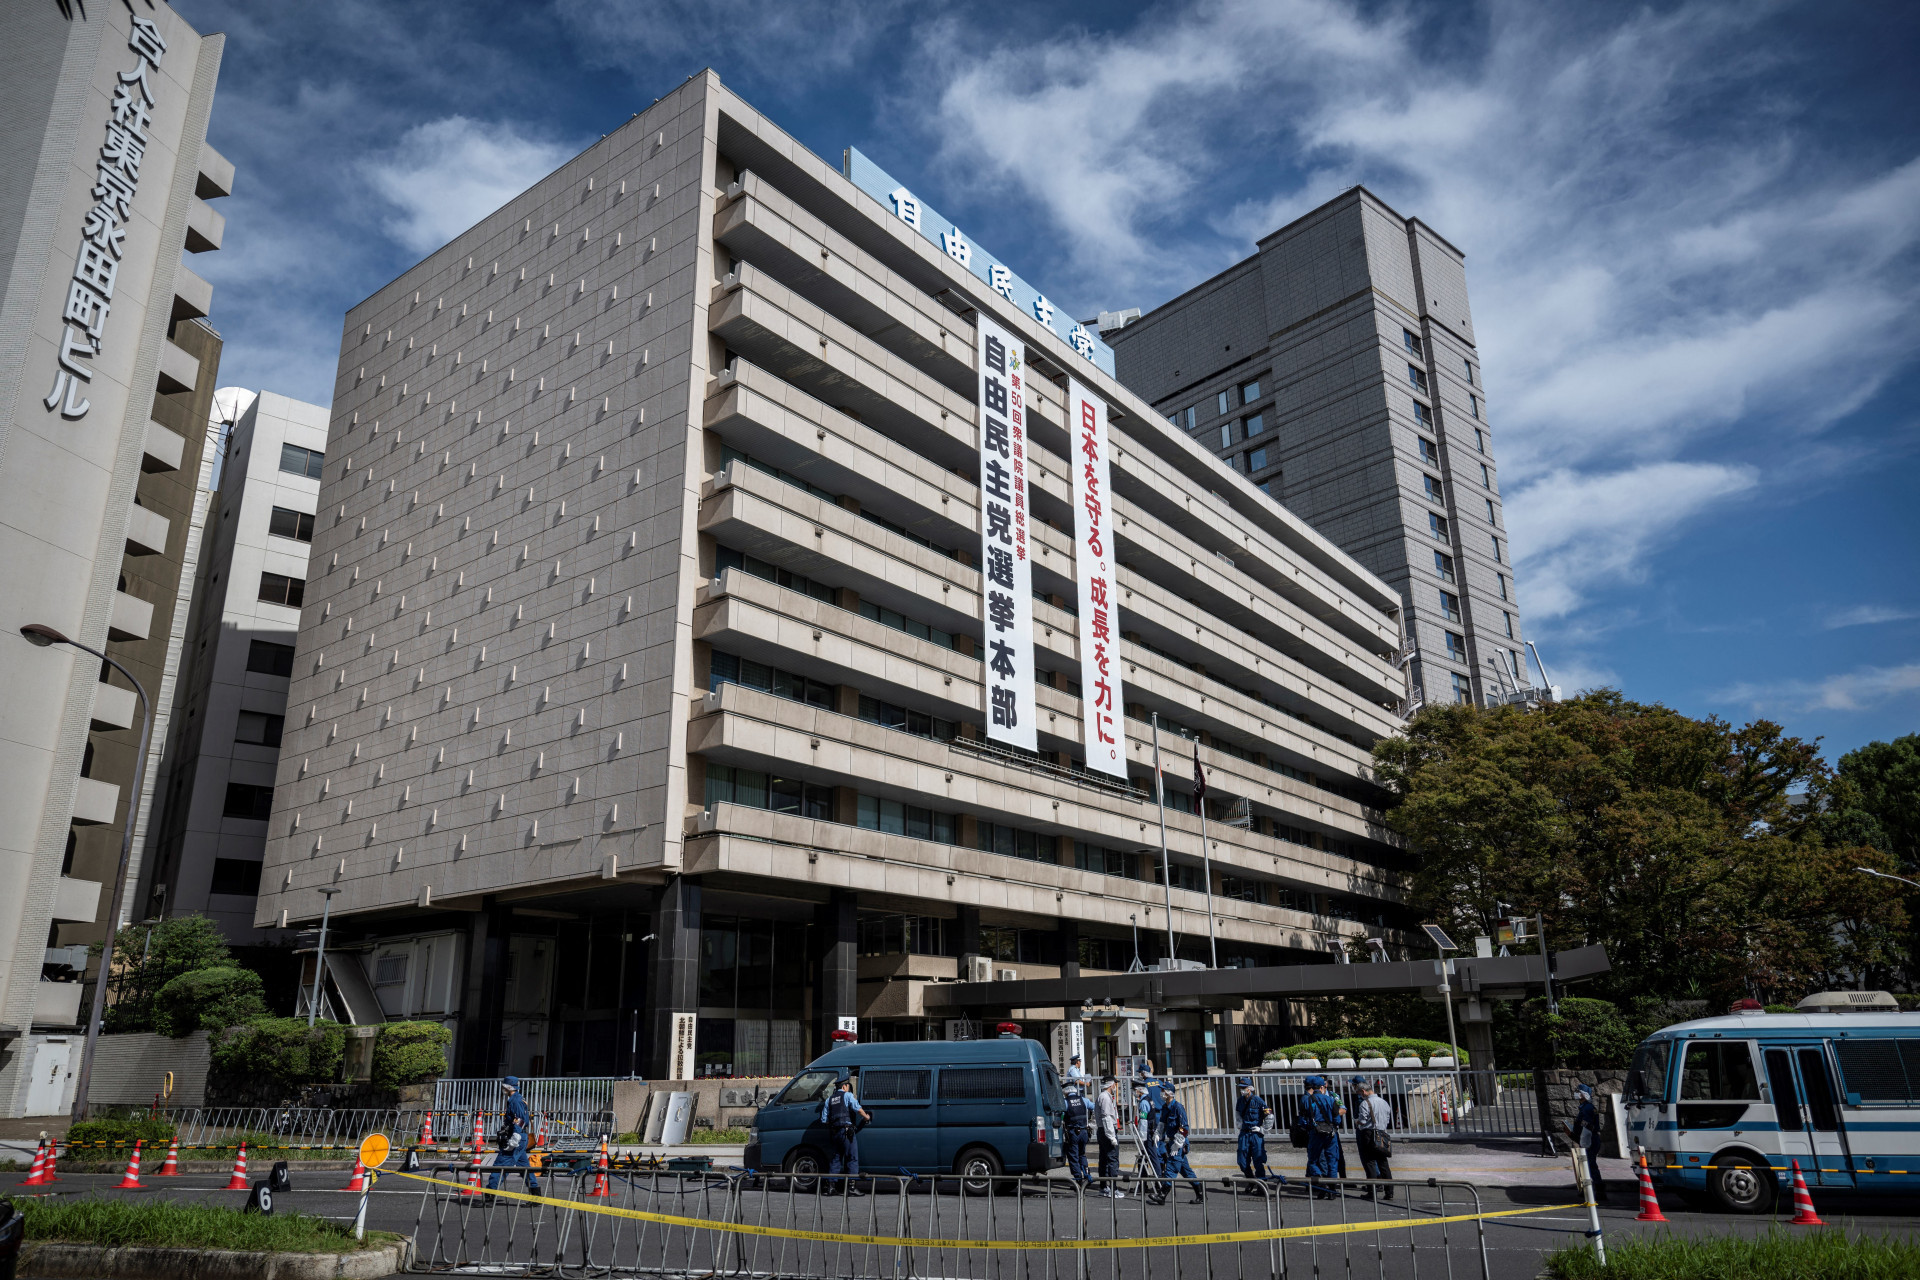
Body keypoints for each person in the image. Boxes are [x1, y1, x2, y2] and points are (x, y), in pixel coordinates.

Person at [486, 1075, 542, 1196]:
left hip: (516, 1138)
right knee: (525, 1167)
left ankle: (490, 1193)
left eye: (504, 1086)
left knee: (501, 1165)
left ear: (508, 1087)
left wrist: (514, 1137)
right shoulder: (517, 1098)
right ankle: (535, 1194)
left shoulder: (515, 1100)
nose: (503, 1088)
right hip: (520, 1138)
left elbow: (520, 1120)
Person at [1150, 1085, 1206, 1205]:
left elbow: (1184, 1128)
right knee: (1186, 1171)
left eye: (1163, 1090)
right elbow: (1162, 1123)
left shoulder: (1178, 1107)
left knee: (1170, 1167)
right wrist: (1157, 1133)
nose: (1161, 1093)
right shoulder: (1165, 1107)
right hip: (1171, 1142)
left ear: (1169, 1093)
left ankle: (1162, 1195)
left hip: (1179, 1143)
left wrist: (1177, 1144)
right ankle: (1200, 1195)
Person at [819, 1074, 871, 1196]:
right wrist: (866, 1117)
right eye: (848, 1086)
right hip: (847, 1132)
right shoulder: (847, 1095)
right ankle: (851, 1188)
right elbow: (857, 1108)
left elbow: (824, 1120)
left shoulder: (829, 1099)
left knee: (836, 1159)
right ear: (845, 1086)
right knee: (852, 1158)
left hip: (835, 1133)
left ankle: (831, 1187)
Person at [1299, 1075, 1345, 1199]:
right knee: (1332, 1161)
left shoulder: (1307, 1100)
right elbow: (1337, 1118)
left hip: (1315, 1133)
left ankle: (1321, 1180)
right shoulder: (1330, 1100)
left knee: (1313, 1160)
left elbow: (1303, 1119)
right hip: (1330, 1134)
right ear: (1322, 1087)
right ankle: (1332, 1189)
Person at [1351, 1076, 1394, 1199]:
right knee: (1383, 1164)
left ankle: (1372, 1191)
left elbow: (1363, 1121)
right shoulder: (1384, 1102)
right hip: (1381, 1134)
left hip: (1368, 1135)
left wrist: (1356, 1122)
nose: (1360, 1095)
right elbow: (1387, 1120)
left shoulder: (1365, 1103)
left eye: (1360, 1092)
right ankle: (1389, 1191)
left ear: (1363, 1091)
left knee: (1369, 1163)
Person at [1566, 1083, 1608, 1204]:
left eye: (1578, 1092)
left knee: (1590, 1164)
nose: (1576, 1093)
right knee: (1586, 1165)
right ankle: (1587, 1189)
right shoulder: (1584, 1107)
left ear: (1584, 1095)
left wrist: (1584, 1141)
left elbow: (1588, 1127)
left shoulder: (1588, 1108)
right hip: (1587, 1138)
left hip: (1590, 1139)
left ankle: (1600, 1190)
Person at [1234, 1076, 1275, 1185]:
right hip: (1244, 1133)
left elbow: (1269, 1116)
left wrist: (1263, 1129)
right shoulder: (1240, 1101)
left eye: (1244, 1088)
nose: (1242, 1090)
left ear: (1250, 1088)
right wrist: (1239, 1124)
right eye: (1241, 1088)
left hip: (1256, 1134)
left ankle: (1261, 1185)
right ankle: (1251, 1180)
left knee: (1258, 1160)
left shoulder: (1258, 1101)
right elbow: (1238, 1114)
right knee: (1242, 1161)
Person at [1095, 1076, 1125, 1199]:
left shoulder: (1103, 1096)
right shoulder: (1105, 1098)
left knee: (1104, 1159)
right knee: (1112, 1159)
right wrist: (1111, 1136)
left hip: (1103, 1131)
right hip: (1107, 1131)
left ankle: (1103, 1187)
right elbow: (1106, 1118)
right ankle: (1113, 1188)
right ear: (1111, 1084)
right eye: (1114, 1084)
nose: (1115, 1086)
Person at [1062, 1081, 1091, 1186]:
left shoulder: (1065, 1102)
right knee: (1082, 1154)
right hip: (1084, 1131)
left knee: (1073, 1156)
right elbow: (1093, 1106)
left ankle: (1078, 1181)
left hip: (1073, 1133)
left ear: (1065, 1091)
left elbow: (1060, 1114)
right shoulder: (1083, 1100)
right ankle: (1087, 1176)